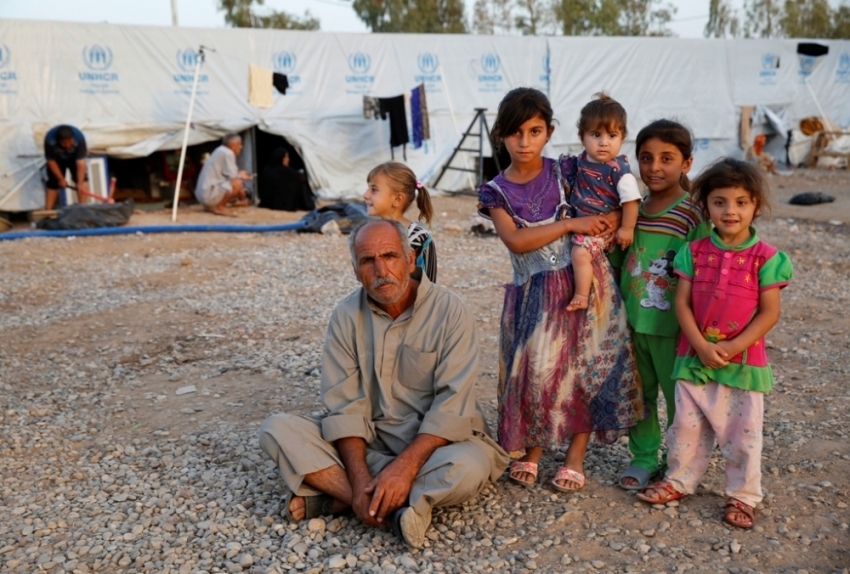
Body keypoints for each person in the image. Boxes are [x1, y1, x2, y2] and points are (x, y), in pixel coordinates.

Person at [258, 218, 508, 549]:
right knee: (278, 429)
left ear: (411, 259)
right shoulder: (346, 316)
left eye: (390, 256)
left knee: (469, 466)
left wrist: (404, 468)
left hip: (437, 449)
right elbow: (345, 406)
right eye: (367, 261)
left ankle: (341, 501)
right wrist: (361, 475)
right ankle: (391, 510)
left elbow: (451, 406)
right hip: (370, 446)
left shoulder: (451, 312)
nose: (380, 270)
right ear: (355, 269)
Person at [477, 87, 643, 492]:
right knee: (536, 373)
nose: (525, 141)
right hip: (533, 293)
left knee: (585, 370)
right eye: (515, 132)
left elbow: (613, 194)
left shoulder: (564, 171)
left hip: (587, 284)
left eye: (534, 131)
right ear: (500, 134)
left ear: (549, 132)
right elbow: (516, 241)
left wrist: (609, 222)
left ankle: (574, 458)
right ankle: (533, 452)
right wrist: (571, 224)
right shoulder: (495, 190)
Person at [636, 158, 793, 530]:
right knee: (686, 429)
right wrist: (701, 346)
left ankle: (742, 495)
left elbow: (769, 313)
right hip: (694, 358)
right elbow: (682, 304)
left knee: (742, 434)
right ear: (706, 206)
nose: (730, 210)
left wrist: (734, 346)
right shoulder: (693, 252)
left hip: (744, 363)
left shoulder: (767, 258)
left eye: (741, 202)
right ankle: (679, 479)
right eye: (720, 202)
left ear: (756, 205)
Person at [611, 119, 711, 490]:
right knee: (640, 397)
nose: (654, 167)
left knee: (682, 401)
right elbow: (619, 263)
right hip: (633, 323)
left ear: (686, 163)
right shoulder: (632, 209)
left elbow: (703, 273)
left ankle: (682, 462)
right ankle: (643, 457)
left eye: (667, 158)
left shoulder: (694, 215)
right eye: (646, 158)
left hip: (675, 330)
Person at [562, 93, 642, 312]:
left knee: (580, 255)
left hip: (601, 229)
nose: (603, 143)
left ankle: (581, 295)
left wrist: (626, 228)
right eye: (596, 135)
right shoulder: (579, 161)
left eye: (612, 135)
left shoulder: (619, 170)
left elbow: (631, 201)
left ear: (622, 138)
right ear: (582, 136)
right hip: (583, 225)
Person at [363, 162, 437, 283]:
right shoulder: (369, 233)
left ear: (397, 199)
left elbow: (429, 286)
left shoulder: (418, 238)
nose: (365, 195)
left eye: (374, 190)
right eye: (368, 188)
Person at [194, 133, 251, 216]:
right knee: (238, 183)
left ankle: (212, 206)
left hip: (203, 194)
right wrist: (241, 176)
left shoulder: (220, 150)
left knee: (235, 184)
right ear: (232, 145)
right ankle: (220, 207)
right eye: (239, 144)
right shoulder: (228, 153)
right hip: (208, 195)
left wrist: (239, 174)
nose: (241, 147)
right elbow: (233, 177)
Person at [43, 125, 88, 210]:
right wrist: (61, 179)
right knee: (53, 182)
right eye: (64, 143)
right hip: (57, 159)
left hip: (74, 158)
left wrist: (80, 183)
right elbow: (50, 161)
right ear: (59, 141)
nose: (67, 146)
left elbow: (81, 163)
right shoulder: (49, 139)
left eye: (70, 142)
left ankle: (83, 209)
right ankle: (47, 211)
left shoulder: (80, 138)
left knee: (82, 181)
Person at [258, 146, 316, 212]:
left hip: (269, 205)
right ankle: (308, 205)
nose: (288, 159)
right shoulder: (288, 172)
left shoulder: (267, 170)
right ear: (281, 158)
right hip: (286, 205)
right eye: (286, 157)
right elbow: (302, 178)